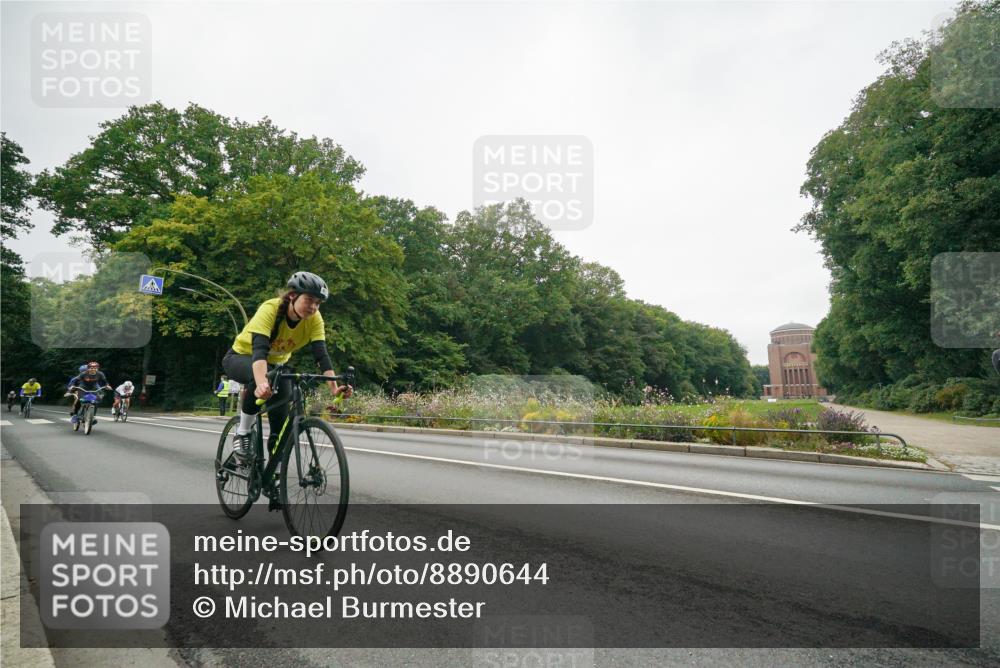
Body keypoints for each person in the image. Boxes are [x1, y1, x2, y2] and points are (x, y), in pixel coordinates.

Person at [222, 272, 351, 464]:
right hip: (241, 357)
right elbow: (259, 351)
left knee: (280, 428)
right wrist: (260, 383)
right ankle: (243, 433)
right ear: (292, 295)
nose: (314, 307)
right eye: (309, 300)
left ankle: (273, 475)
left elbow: (321, 355)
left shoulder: (315, 319)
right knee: (260, 378)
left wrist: (334, 388)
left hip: (276, 367)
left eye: (318, 303)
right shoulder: (270, 309)